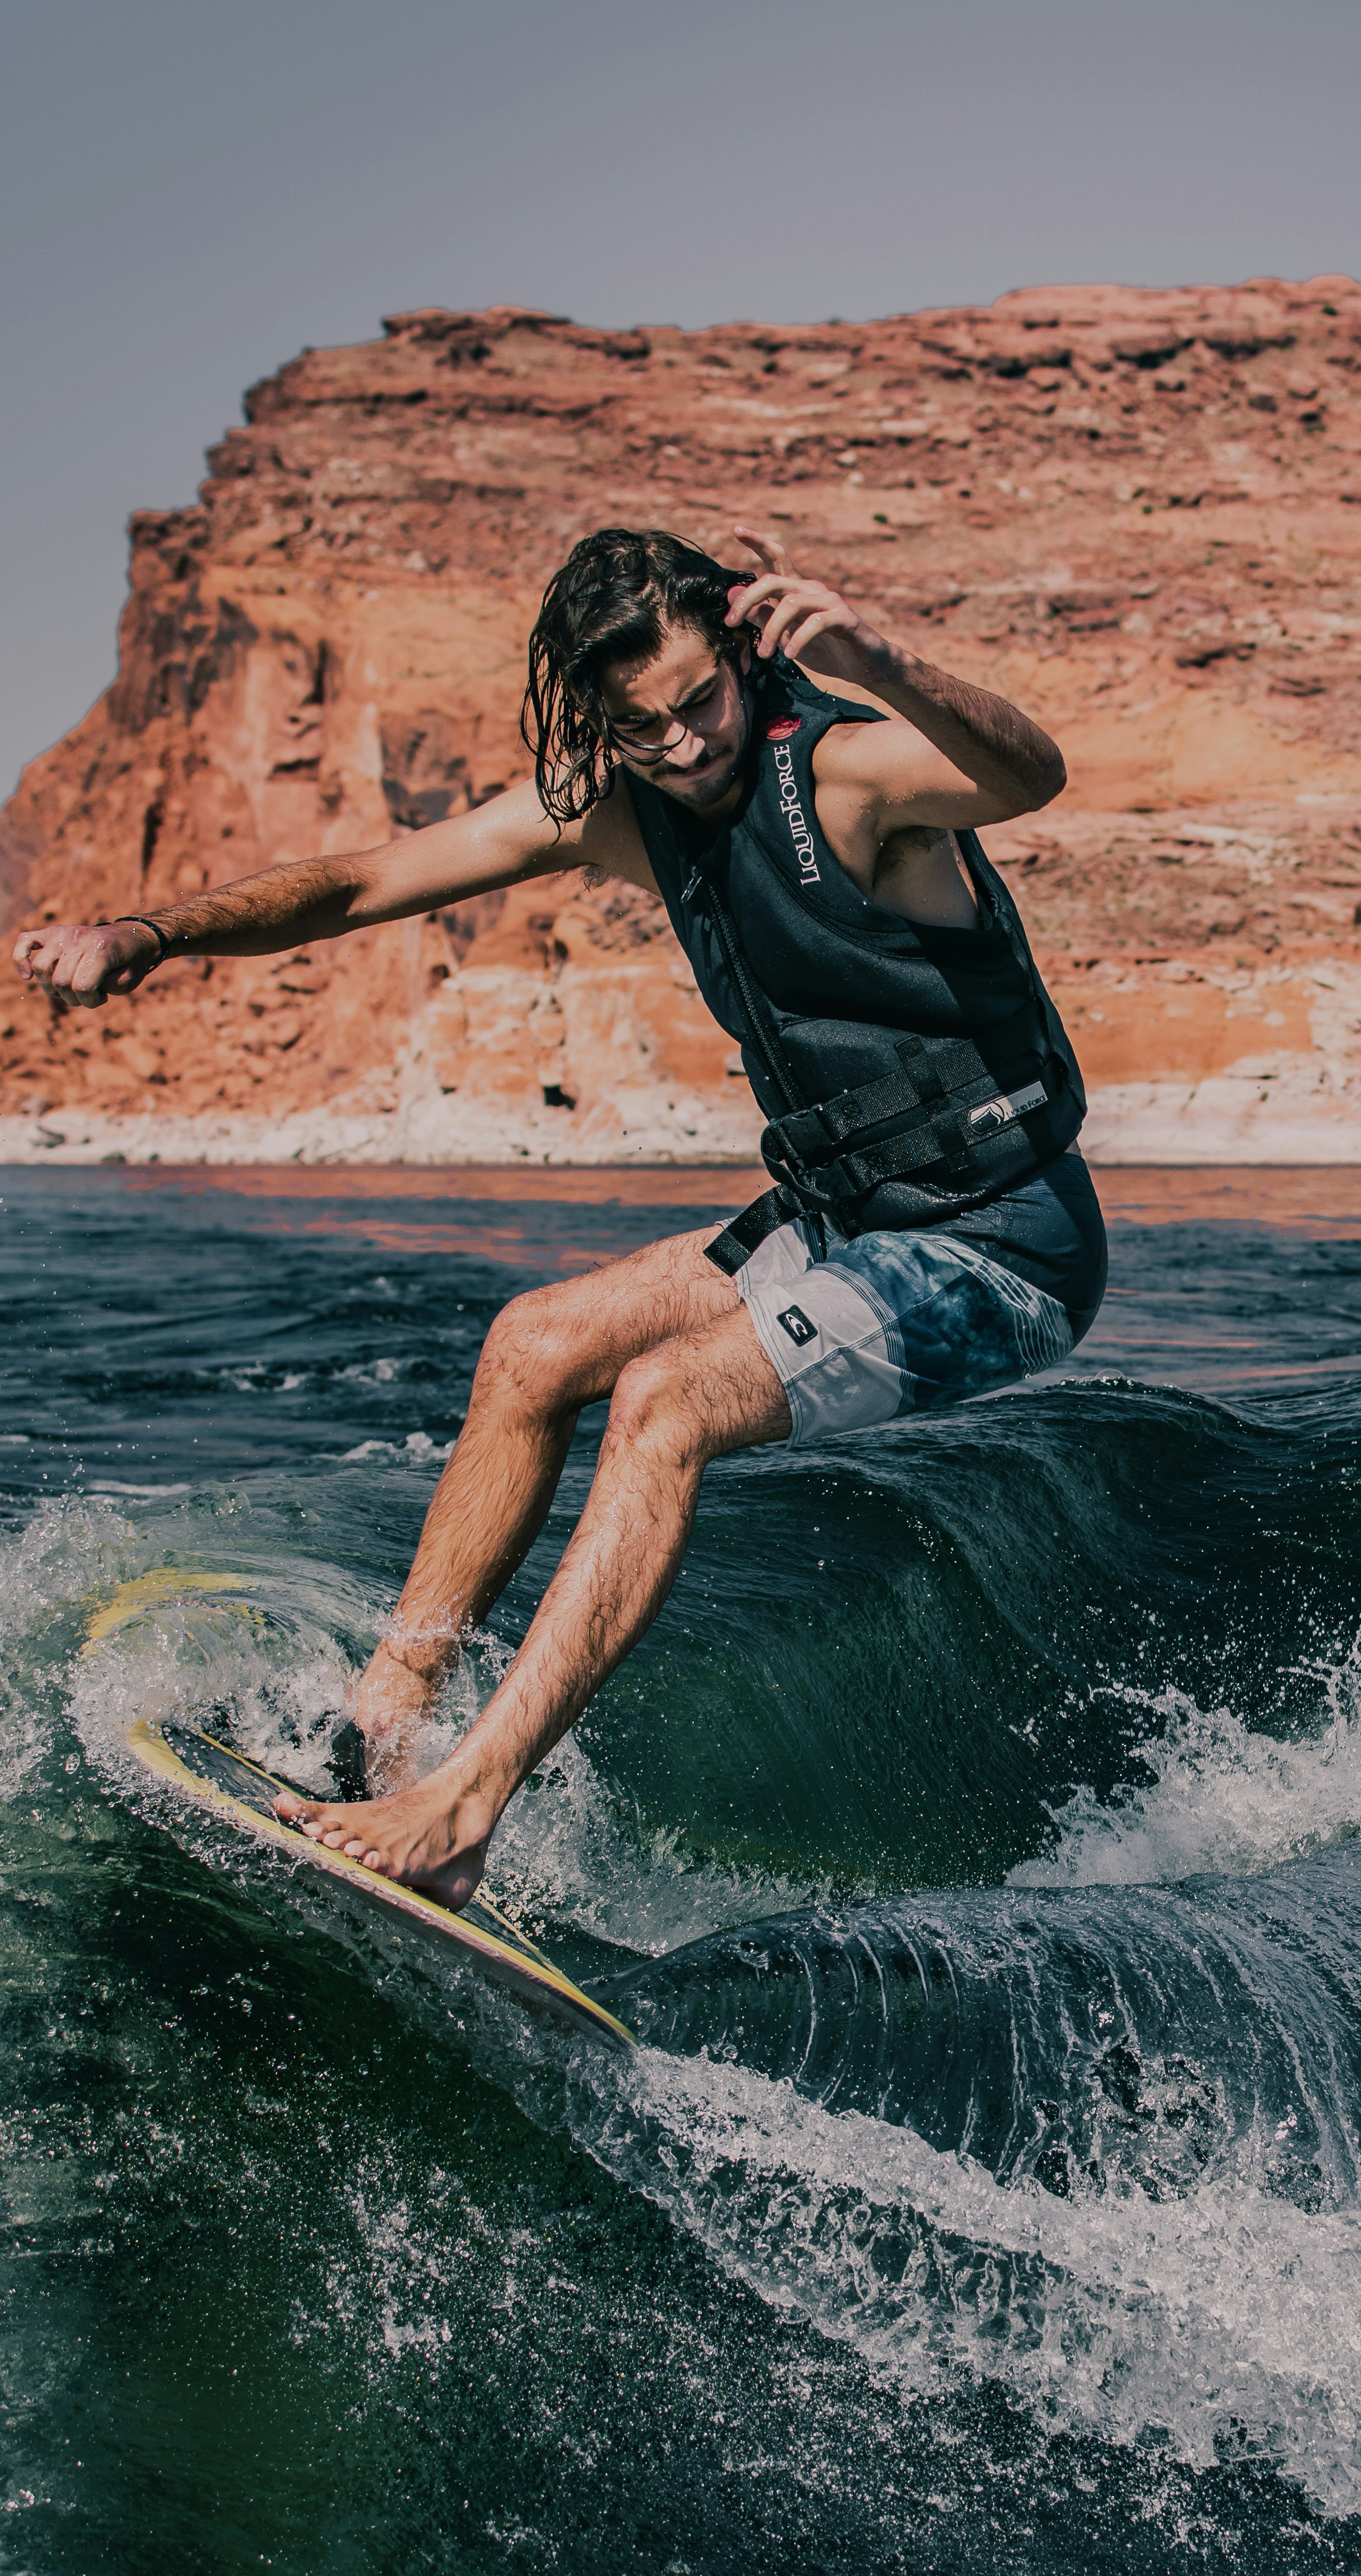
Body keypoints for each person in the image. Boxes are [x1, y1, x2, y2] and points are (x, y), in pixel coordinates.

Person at [15, 525, 1105, 1903]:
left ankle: (465, 1808)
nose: (684, 743)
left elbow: (1031, 774)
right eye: (638, 725)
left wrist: (875, 655)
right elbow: (368, 881)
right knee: (533, 1342)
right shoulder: (622, 807)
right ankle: (378, 1727)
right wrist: (151, 935)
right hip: (845, 1214)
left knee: (665, 1400)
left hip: (1001, 1241)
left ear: (744, 654)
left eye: (700, 701)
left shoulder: (847, 774)